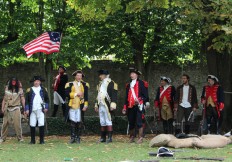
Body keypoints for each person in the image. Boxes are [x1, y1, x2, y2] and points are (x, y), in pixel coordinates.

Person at [122, 67, 148, 144]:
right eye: (131, 73)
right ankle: (132, 137)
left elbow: (145, 96)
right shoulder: (128, 85)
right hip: (130, 106)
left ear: (137, 75)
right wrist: (124, 107)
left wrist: (139, 100)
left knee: (139, 122)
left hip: (139, 106)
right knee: (131, 122)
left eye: (133, 73)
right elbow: (126, 97)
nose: (131, 75)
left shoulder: (142, 83)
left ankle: (140, 137)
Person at [65, 70, 89, 144]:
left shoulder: (85, 84)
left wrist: (85, 105)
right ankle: (72, 137)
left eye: (80, 76)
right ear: (75, 76)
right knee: (72, 121)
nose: (79, 77)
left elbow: (86, 96)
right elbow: (66, 94)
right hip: (72, 104)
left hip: (80, 105)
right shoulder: (69, 84)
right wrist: (75, 94)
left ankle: (78, 137)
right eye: (77, 75)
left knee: (79, 121)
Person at [94, 70, 118, 143]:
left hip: (107, 105)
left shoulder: (112, 83)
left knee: (108, 121)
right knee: (102, 121)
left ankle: (110, 138)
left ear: (105, 75)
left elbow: (114, 95)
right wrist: (96, 105)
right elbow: (98, 95)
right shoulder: (99, 84)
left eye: (101, 75)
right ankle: (103, 138)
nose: (100, 76)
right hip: (100, 104)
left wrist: (113, 104)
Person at [25, 76, 49, 144]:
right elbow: (27, 101)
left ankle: (42, 140)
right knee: (32, 124)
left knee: (41, 124)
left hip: (41, 109)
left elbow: (47, 99)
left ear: (40, 82)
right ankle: (32, 140)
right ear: (33, 82)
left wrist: (46, 107)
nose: (36, 82)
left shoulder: (44, 89)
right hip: (32, 110)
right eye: (35, 81)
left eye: (38, 81)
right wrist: (27, 109)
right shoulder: (29, 90)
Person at [0, 77, 25, 143]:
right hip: (7, 108)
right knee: (5, 124)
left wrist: (25, 108)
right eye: (12, 81)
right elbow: (4, 99)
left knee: (17, 124)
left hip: (16, 108)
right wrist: (2, 108)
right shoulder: (7, 88)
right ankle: (2, 138)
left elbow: (22, 99)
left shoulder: (20, 89)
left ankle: (20, 138)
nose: (13, 82)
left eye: (15, 81)